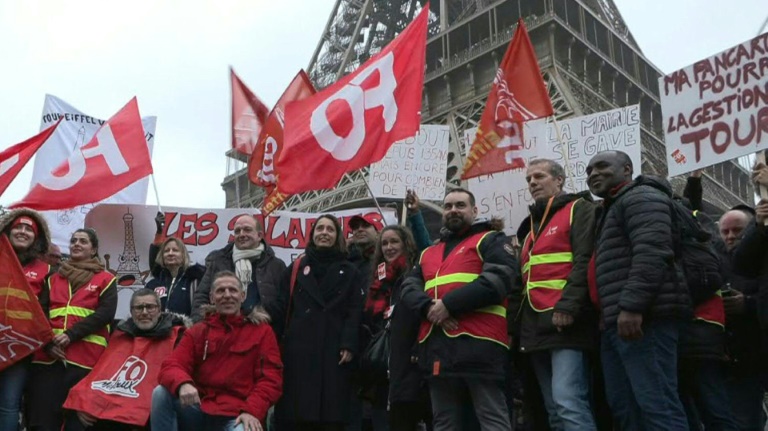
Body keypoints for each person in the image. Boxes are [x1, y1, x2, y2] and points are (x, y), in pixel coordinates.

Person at [586, 150, 690, 430]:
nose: (593, 173)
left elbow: (653, 252)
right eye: (588, 171)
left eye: (602, 166)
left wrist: (632, 306)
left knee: (657, 405)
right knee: (626, 407)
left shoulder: (640, 197)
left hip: (643, 318)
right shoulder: (612, 207)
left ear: (628, 169)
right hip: (616, 322)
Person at [401, 188, 517, 431]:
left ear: (474, 211)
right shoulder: (427, 253)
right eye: (448, 206)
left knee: (491, 417)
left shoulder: (491, 240)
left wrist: (448, 306)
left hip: (479, 344)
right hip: (437, 345)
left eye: (460, 205)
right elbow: (409, 289)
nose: (453, 210)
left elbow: (499, 280)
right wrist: (430, 308)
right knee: (444, 421)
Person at [514, 159, 598, 430]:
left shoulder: (578, 209)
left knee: (568, 401)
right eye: (528, 179)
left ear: (559, 180)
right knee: (553, 409)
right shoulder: (529, 232)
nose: (532, 183)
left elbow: (584, 259)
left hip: (565, 321)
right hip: (536, 327)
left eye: (539, 176)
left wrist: (569, 306)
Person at [152, 271, 282, 431]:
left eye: (232, 290)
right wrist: (182, 384)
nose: (227, 295)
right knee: (161, 393)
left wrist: (252, 411)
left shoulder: (262, 332)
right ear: (212, 298)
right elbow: (171, 366)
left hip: (238, 414)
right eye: (221, 291)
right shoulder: (198, 331)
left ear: (242, 296)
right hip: (199, 410)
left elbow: (271, 379)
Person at [273, 214, 365, 431]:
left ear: (338, 236)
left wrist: (349, 343)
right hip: (300, 352)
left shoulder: (350, 271)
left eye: (330, 229)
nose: (325, 233)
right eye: (320, 229)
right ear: (312, 235)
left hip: (334, 350)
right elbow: (281, 305)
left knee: (331, 417)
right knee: (298, 415)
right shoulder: (295, 268)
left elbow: (355, 310)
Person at [26, 228, 117, 431]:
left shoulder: (106, 279)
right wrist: (48, 343)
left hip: (86, 362)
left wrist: (71, 335)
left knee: (75, 423)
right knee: (42, 421)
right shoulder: (52, 278)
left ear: (94, 250)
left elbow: (105, 314)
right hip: (49, 359)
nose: (76, 244)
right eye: (74, 240)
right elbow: (39, 312)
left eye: (83, 241)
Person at [64, 288, 191, 430]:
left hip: (149, 410)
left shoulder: (178, 337)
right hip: (113, 402)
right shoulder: (119, 334)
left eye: (150, 307)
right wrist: (83, 404)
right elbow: (99, 374)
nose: (144, 312)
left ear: (159, 309)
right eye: (138, 308)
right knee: (76, 416)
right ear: (131, 312)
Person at [0, 209, 52, 431]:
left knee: (8, 405)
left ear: (36, 237)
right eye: (18, 227)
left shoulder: (47, 270)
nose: (22, 232)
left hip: (19, 349)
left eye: (28, 229)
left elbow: (47, 310)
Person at [719, 208, 766, 431]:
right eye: (725, 231)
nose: (730, 236)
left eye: (737, 230)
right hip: (730, 356)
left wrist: (747, 303)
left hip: (754, 354)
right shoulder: (715, 262)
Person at [192, 215, 285, 321]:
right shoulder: (219, 261)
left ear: (259, 236)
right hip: (223, 328)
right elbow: (201, 296)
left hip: (262, 329)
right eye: (237, 231)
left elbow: (283, 303)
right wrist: (199, 325)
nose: (242, 234)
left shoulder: (276, 265)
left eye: (247, 230)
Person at [146, 236, 205, 316]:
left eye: (175, 250)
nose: (170, 253)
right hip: (158, 328)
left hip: (187, 327)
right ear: (162, 256)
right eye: (166, 251)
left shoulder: (193, 281)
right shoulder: (152, 284)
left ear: (183, 255)